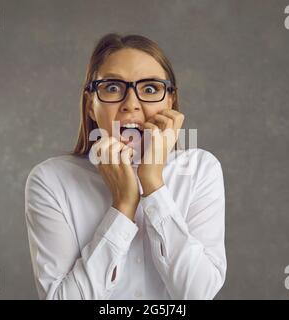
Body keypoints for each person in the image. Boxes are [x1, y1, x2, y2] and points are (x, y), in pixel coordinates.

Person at [24, 33, 226, 300]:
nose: (130, 104)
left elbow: (198, 293)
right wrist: (124, 205)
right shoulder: (51, 180)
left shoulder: (201, 169)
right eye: (112, 87)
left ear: (170, 102)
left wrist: (153, 183)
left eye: (150, 89)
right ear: (90, 106)